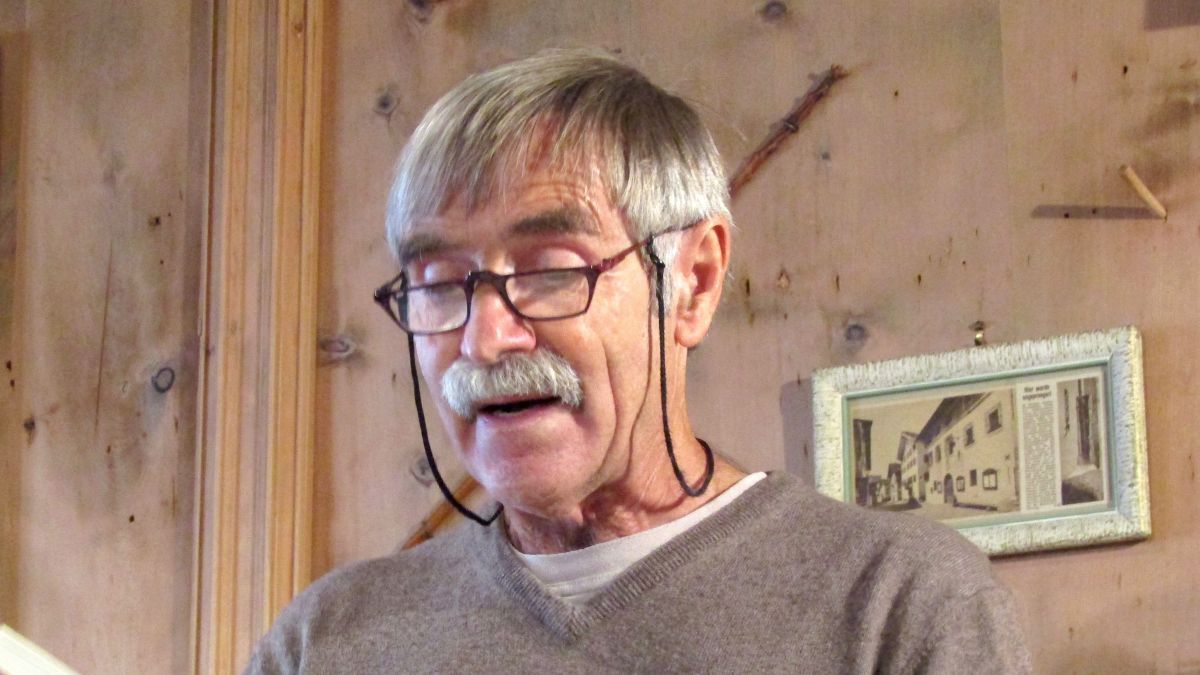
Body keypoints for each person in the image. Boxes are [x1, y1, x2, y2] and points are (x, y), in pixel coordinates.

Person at [247, 49, 1031, 674]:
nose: (485, 340)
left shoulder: (900, 606)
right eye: (440, 283)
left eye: (551, 270)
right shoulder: (328, 641)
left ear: (693, 283)